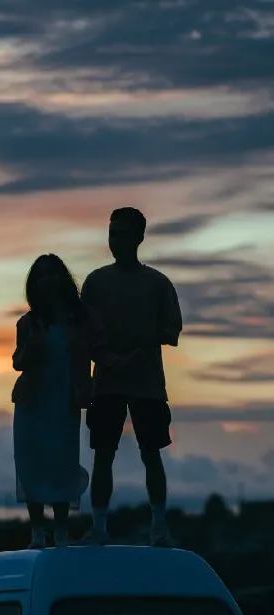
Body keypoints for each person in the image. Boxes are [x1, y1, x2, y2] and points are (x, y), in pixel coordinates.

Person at [81, 207, 182, 547]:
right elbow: (85, 333)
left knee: (151, 452)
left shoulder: (157, 283)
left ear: (139, 237)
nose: (116, 241)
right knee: (103, 454)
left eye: (123, 234)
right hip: (107, 381)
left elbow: (172, 329)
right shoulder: (95, 282)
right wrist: (106, 358)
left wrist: (140, 346)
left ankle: (159, 527)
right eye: (112, 233)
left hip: (147, 384)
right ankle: (98, 527)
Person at [12, 253, 111, 549]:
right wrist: (32, 346)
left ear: (62, 278)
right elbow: (18, 362)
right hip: (32, 401)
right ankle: (37, 533)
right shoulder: (28, 323)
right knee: (31, 464)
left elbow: (101, 350)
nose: (47, 280)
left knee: (62, 463)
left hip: (65, 400)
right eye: (40, 275)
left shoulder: (82, 319)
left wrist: (95, 382)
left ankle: (61, 532)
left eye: (51, 274)